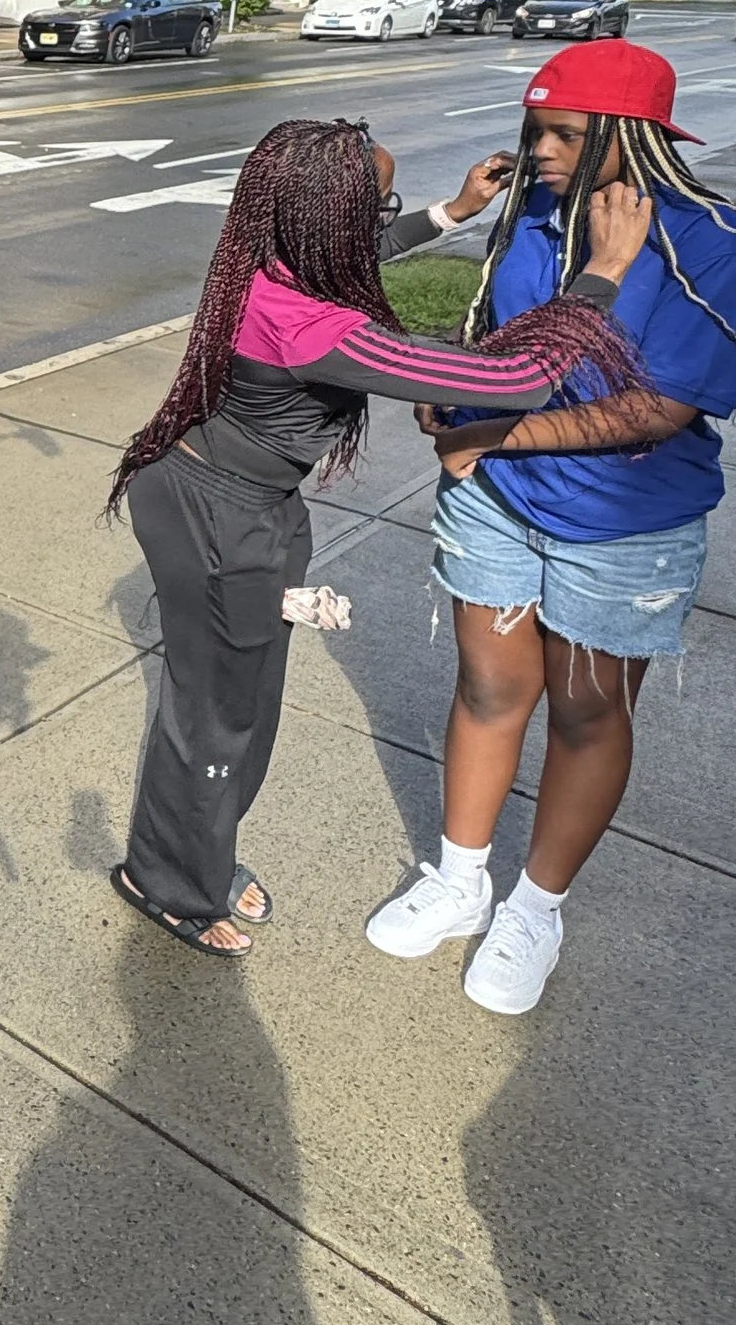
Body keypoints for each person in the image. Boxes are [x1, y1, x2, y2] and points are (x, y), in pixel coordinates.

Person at [105, 118, 648, 961]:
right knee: (214, 721)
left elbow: (358, 254)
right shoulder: (316, 330)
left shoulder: (267, 254)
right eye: (372, 205)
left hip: (230, 499)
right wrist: (601, 275)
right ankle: (169, 878)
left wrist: (452, 211)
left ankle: (192, 854)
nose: (377, 222)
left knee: (232, 707)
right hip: (219, 517)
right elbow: (514, 379)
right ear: (323, 217)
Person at [369, 39, 736, 1014]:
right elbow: (501, 339)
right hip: (501, 505)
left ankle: (535, 907)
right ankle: (460, 881)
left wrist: (490, 434)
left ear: (633, 138)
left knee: (587, 712)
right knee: (488, 687)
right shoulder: (537, 216)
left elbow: (658, 408)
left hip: (624, 523)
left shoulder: (708, 242)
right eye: (535, 127)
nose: (539, 149)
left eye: (564, 133)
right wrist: (450, 388)